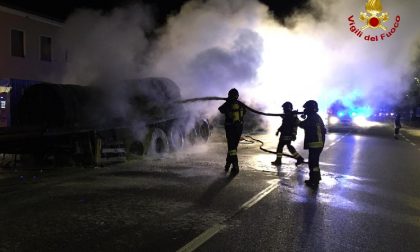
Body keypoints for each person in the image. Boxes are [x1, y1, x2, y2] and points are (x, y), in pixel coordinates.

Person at [299, 100, 326, 188]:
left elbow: (303, 125)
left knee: (313, 163)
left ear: (310, 108)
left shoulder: (312, 117)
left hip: (316, 143)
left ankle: (314, 180)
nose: (305, 110)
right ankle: (315, 179)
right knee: (314, 163)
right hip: (317, 143)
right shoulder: (315, 116)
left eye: (306, 108)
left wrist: (296, 119)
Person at [218, 88, 246, 174]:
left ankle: (235, 166)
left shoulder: (228, 104)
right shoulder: (241, 104)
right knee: (233, 148)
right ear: (237, 96)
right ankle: (227, 165)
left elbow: (220, 109)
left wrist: (227, 102)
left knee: (232, 148)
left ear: (229, 95)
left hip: (230, 129)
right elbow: (244, 112)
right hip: (239, 128)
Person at [271, 102, 304, 166]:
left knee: (280, 147)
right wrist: (278, 130)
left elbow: (287, 125)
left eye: (284, 108)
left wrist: (285, 118)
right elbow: (284, 125)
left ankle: (278, 161)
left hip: (287, 134)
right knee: (288, 146)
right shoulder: (289, 115)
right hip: (286, 133)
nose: (283, 110)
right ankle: (299, 158)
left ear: (287, 108)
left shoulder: (291, 116)